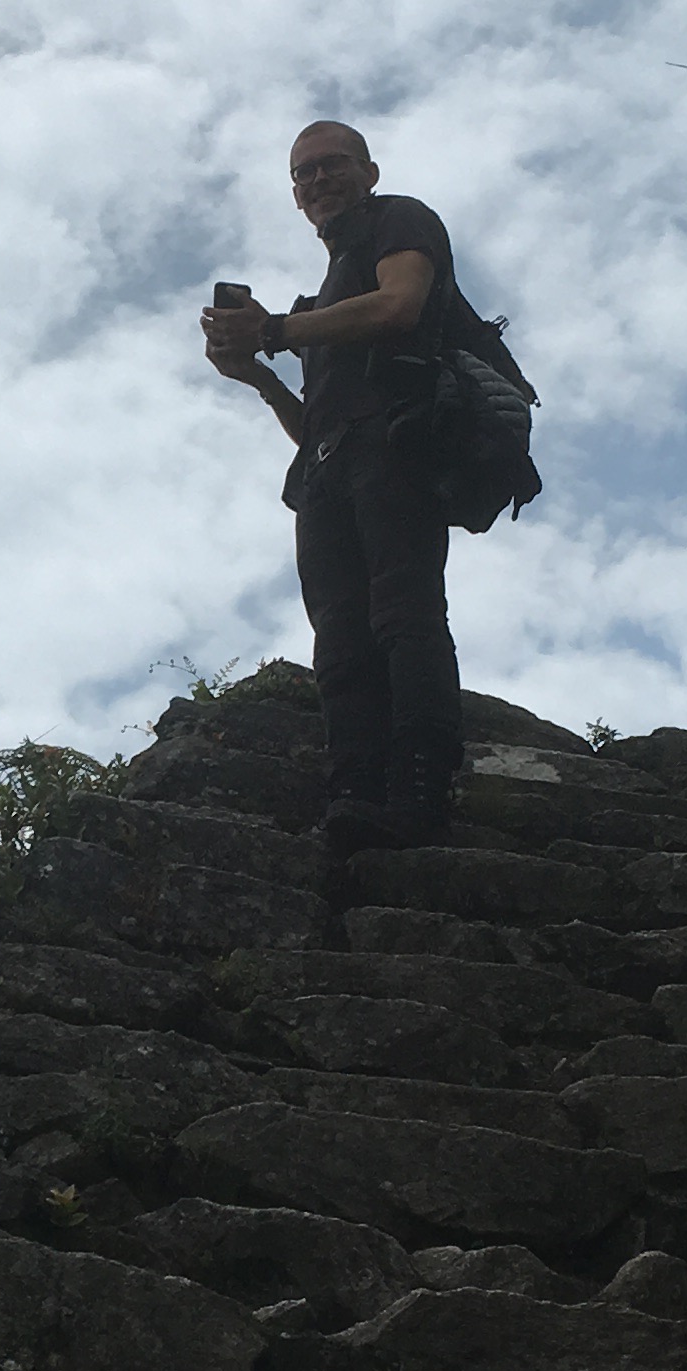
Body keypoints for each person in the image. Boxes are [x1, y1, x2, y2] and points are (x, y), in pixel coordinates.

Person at [201, 118, 465, 848]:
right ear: (294, 195)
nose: (317, 180)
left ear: (368, 172)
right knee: (340, 638)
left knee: (404, 615)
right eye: (303, 173)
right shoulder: (322, 306)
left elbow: (400, 305)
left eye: (332, 164)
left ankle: (422, 790)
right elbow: (314, 427)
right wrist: (259, 377)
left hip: (396, 449)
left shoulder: (400, 219)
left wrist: (274, 333)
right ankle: (354, 792)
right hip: (327, 470)